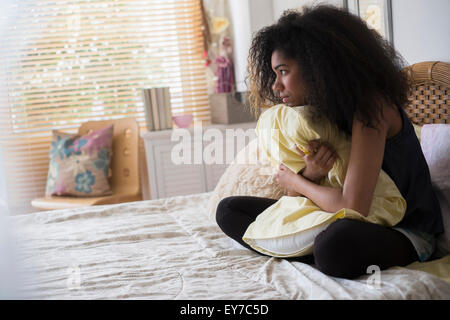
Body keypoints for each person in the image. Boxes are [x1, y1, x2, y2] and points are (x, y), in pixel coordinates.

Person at [215, 5, 444, 279]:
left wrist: (297, 181)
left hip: (403, 229)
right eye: (275, 74)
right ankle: (303, 247)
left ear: (316, 66)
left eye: (283, 71)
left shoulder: (373, 107)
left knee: (333, 245)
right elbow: (293, 200)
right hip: (332, 216)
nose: (276, 86)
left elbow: (353, 205)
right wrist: (311, 173)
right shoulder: (318, 111)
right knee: (229, 210)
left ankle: (301, 248)